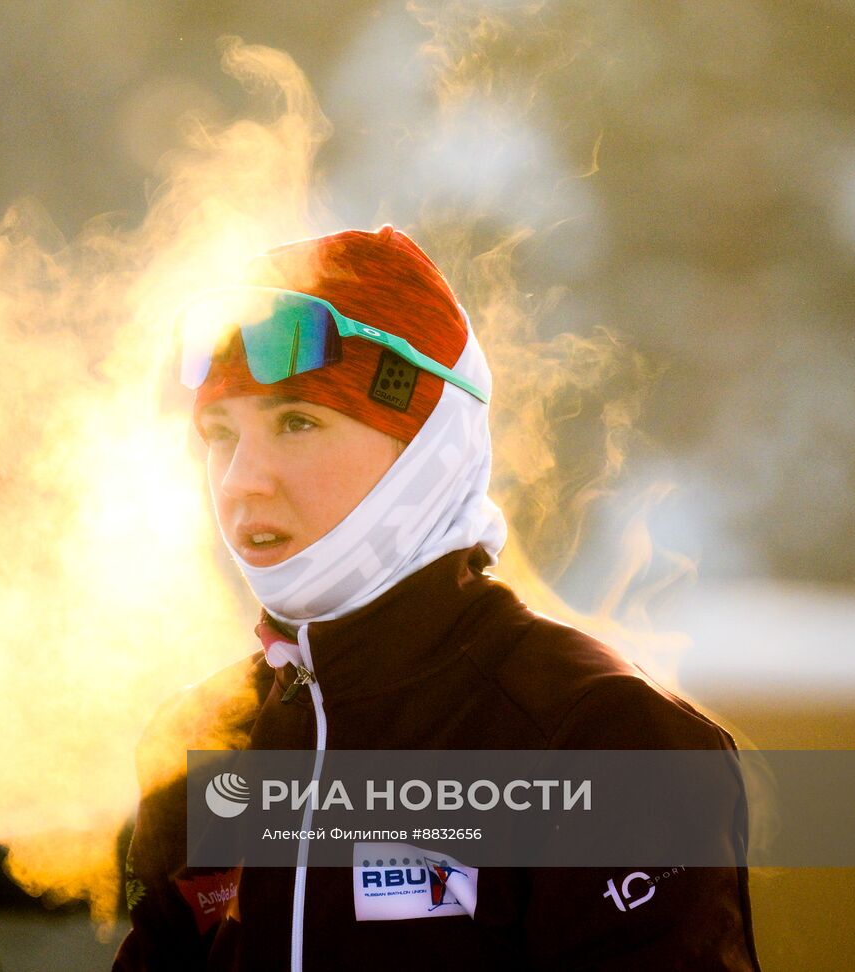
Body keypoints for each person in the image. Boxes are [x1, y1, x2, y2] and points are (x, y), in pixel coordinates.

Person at [112, 226, 760, 971]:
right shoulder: (200, 743)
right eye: (220, 435)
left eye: (297, 422)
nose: (239, 481)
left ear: (424, 449)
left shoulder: (601, 736)